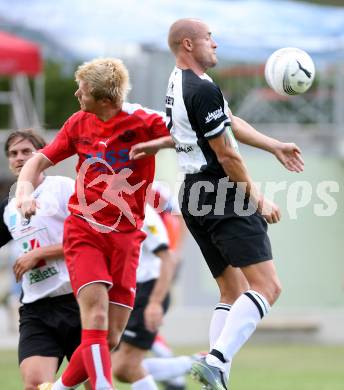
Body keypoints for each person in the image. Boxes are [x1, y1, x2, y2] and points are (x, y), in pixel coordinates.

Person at [130, 18, 305, 390]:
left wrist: (273, 145)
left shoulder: (180, 84)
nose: (216, 44)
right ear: (188, 45)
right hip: (223, 191)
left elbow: (224, 122)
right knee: (268, 287)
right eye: (209, 38)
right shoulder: (200, 88)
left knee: (233, 291)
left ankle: (215, 369)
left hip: (194, 194)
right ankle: (216, 360)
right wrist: (256, 198)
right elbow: (227, 154)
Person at [15, 58, 170, 390]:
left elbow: (189, 133)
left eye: (82, 91)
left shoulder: (143, 121)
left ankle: (57, 389)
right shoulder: (78, 123)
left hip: (127, 238)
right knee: (95, 319)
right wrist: (25, 192)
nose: (76, 94)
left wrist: (158, 144)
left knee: (111, 337)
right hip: (84, 231)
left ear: (104, 99)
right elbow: (39, 160)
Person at [0, 129, 91, 390]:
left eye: (27, 151)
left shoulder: (64, 189)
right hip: (37, 309)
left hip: (78, 301)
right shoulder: (9, 208)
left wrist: (39, 254)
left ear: (42, 155)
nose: (20, 158)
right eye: (13, 153)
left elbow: (92, 237)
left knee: (95, 383)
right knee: (35, 384)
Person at [112, 203, 179, 390]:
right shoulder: (100, 206)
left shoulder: (143, 212)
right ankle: (191, 364)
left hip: (148, 291)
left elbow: (168, 259)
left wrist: (155, 303)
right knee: (113, 363)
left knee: (125, 367)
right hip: (124, 291)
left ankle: (194, 364)